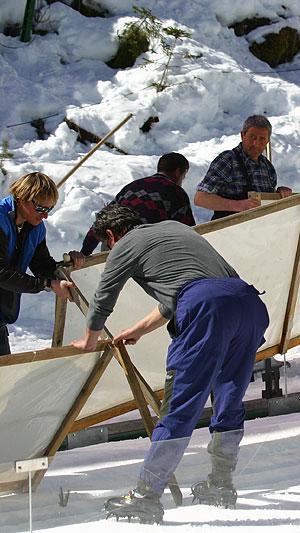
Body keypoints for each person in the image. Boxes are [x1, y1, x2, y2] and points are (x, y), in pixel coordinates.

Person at [71, 205, 269, 522]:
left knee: (181, 403)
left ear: (111, 235)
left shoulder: (125, 244)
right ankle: (221, 484)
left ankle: (146, 495)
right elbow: (182, 293)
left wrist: (89, 340)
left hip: (208, 309)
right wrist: (138, 330)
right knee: (228, 396)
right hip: (248, 303)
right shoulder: (175, 229)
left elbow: (104, 295)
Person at [0, 172, 83, 355]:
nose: (45, 216)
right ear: (22, 199)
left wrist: (66, 267)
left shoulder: (35, 227)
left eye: (49, 209)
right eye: (40, 208)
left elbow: (42, 265)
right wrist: (45, 284)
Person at [80, 152, 195, 255]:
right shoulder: (176, 192)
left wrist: (85, 253)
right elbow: (189, 232)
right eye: (183, 177)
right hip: (145, 248)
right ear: (178, 172)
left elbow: (103, 221)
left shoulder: (132, 186)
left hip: (113, 244)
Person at [195, 115, 292, 220]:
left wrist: (279, 195)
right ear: (242, 135)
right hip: (229, 231)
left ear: (267, 141)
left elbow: (266, 204)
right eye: (252, 137)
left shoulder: (268, 167)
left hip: (259, 231)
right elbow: (200, 198)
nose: (256, 143)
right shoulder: (228, 160)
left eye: (262, 139)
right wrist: (238, 205)